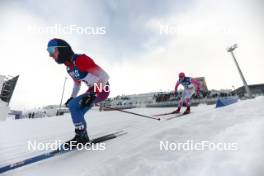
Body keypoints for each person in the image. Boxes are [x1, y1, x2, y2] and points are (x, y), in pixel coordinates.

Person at [47, 38, 110, 148]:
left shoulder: (81, 59)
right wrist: (72, 97)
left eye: (52, 50)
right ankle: (82, 136)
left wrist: (94, 93)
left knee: (74, 106)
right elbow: (77, 84)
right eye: (48, 51)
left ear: (62, 49)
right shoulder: (69, 68)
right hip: (92, 90)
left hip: (102, 88)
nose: (50, 55)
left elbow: (104, 76)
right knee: (75, 108)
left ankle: (81, 136)